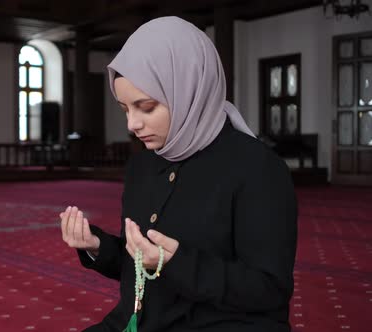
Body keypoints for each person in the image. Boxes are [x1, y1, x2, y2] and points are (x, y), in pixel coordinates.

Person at [59, 16, 297, 332]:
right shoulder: (143, 166)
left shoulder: (256, 168)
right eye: (125, 109)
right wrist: (96, 246)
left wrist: (174, 263)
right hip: (144, 322)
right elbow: (140, 265)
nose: (132, 124)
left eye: (146, 107)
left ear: (189, 90)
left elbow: (268, 290)